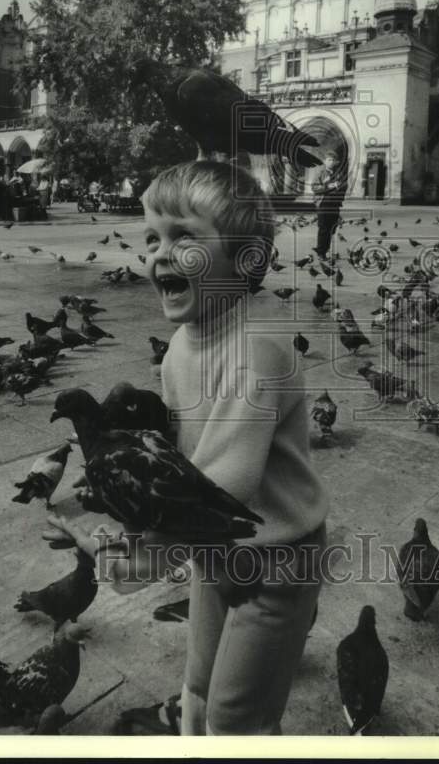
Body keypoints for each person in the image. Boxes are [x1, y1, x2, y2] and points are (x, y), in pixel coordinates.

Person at [43, 159, 329, 735]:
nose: (158, 253)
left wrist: (140, 553)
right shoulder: (182, 342)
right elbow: (173, 462)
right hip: (213, 547)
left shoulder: (256, 351)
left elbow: (220, 486)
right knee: (197, 682)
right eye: (152, 237)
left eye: (183, 237)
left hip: (275, 559)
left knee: (237, 717)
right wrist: (119, 495)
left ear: (246, 260)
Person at [311, 150, 347, 259]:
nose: (331, 162)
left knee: (332, 228)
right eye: (329, 160)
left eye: (333, 160)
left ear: (336, 162)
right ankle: (321, 252)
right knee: (323, 228)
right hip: (323, 203)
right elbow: (314, 188)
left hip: (335, 204)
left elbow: (344, 186)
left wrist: (340, 188)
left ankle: (324, 250)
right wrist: (328, 186)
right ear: (325, 161)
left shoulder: (339, 173)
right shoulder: (320, 173)